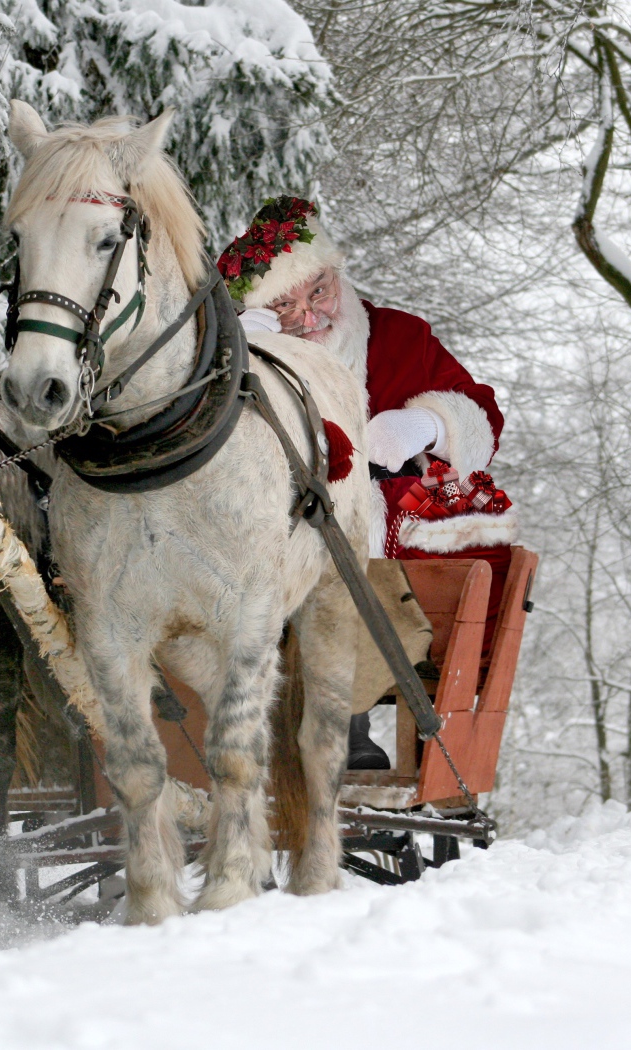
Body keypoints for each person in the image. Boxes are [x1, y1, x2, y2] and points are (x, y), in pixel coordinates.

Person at [218, 197, 517, 771]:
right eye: (283, 305)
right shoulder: (238, 352)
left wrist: (428, 424)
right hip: (263, 530)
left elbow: (482, 415)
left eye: (319, 293)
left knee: (351, 566)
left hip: (377, 537)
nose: (308, 318)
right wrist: (249, 352)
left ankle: (346, 725)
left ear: (338, 275)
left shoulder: (398, 336)